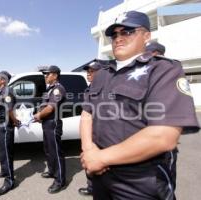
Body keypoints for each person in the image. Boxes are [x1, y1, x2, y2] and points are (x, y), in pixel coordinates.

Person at [80, 10, 200, 200]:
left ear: (146, 36)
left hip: (140, 180)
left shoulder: (163, 70)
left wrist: (101, 158)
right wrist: (88, 150)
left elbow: (163, 136)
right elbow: (87, 113)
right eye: (114, 34)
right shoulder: (102, 73)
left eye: (127, 32)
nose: (118, 38)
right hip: (100, 175)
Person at [33, 65, 66, 194]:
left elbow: (51, 108)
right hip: (46, 123)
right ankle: (52, 171)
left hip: (53, 123)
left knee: (56, 152)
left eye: (47, 74)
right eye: (45, 74)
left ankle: (60, 180)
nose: (45, 76)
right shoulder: (50, 89)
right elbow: (44, 105)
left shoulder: (58, 89)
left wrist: (39, 115)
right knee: (48, 150)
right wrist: (40, 114)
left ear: (55, 75)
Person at [0, 71, 20, 196]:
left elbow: (9, 110)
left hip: (5, 126)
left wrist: (15, 122)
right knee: (2, 151)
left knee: (7, 152)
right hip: (0, 125)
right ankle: (4, 171)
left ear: (3, 80)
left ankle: (9, 181)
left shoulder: (7, 92)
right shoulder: (0, 92)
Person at [78, 60, 103, 196]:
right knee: (88, 161)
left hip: (101, 133)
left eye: (92, 70)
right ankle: (91, 186)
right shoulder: (89, 89)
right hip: (90, 133)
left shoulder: (106, 89)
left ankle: (96, 188)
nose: (88, 73)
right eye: (88, 70)